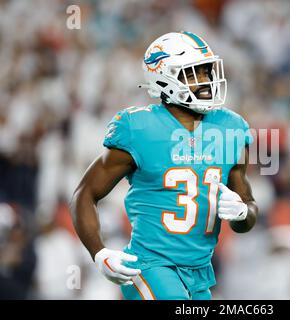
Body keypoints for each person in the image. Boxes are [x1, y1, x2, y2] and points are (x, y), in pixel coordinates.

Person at [70, 31, 258, 300]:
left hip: (198, 274)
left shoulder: (231, 128)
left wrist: (242, 212)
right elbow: (85, 194)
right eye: (194, 74)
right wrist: (98, 252)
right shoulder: (139, 128)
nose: (206, 81)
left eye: (206, 72)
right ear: (165, 77)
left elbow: (248, 209)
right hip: (150, 267)